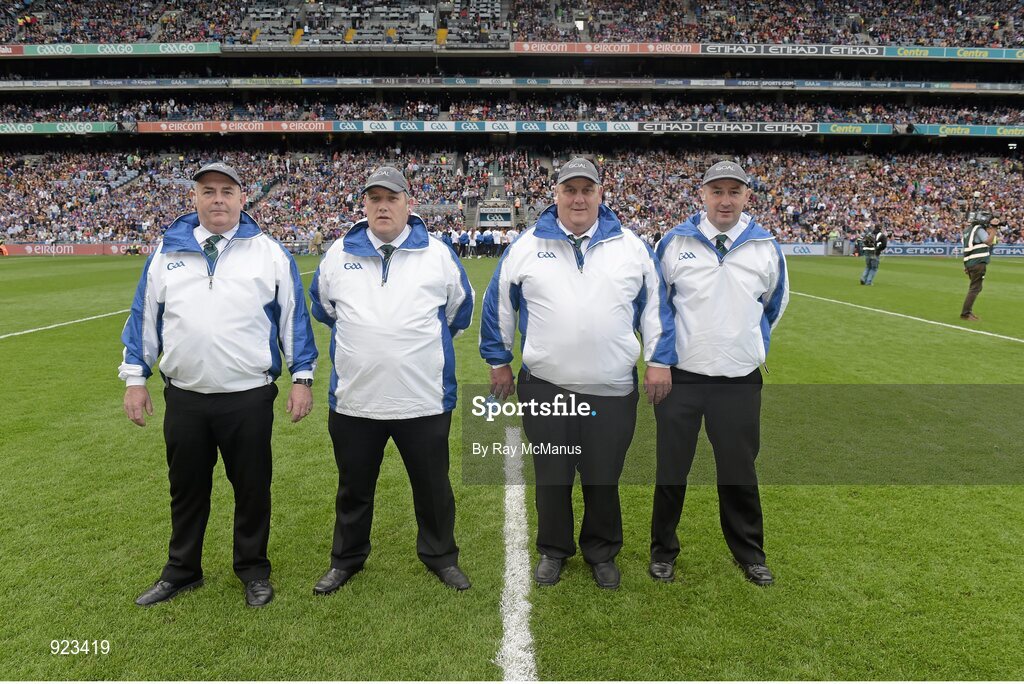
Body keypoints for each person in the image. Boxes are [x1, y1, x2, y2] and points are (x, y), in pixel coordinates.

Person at [119, 162, 318, 608]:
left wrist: (301, 377)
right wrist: (136, 379)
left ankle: (252, 569)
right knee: (186, 488)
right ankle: (182, 570)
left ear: (243, 198)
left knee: (251, 487)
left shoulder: (268, 252)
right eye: (208, 191)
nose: (218, 200)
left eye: (227, 191)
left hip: (247, 396)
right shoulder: (166, 251)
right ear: (194, 198)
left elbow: (294, 321)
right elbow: (144, 320)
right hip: (185, 397)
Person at [480, 158, 676, 590]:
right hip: (547, 386)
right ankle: (553, 549)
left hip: (611, 388)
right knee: (553, 475)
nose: (579, 198)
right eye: (570, 189)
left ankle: (602, 550)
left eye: (587, 189)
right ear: (556, 194)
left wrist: (659, 361)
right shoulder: (527, 245)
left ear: (601, 193)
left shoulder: (631, 246)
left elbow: (657, 309)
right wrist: (499, 361)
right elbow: (498, 306)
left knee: (603, 475)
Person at [309, 165, 475, 594]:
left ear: (408, 203)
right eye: (374, 199)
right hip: (355, 400)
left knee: (433, 488)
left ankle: (441, 557)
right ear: (363, 205)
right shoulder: (337, 254)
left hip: (422, 399)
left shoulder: (438, 254)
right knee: (353, 489)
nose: (383, 207)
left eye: (392, 198)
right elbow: (324, 307)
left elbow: (459, 312)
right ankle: (346, 559)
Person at [650, 160, 789, 587]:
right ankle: (663, 551)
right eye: (717, 191)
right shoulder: (674, 242)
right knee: (672, 470)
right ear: (703, 195)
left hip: (739, 379)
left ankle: (749, 553)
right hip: (682, 378)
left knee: (739, 471)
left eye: (734, 191)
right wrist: (660, 360)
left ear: (747, 196)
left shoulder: (765, 245)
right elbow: (658, 306)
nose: (725, 200)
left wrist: (745, 344)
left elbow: (775, 303)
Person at [961, 212, 999, 321]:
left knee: (976, 288)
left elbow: (968, 247)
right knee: (975, 288)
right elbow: (988, 241)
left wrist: (967, 265)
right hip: (978, 263)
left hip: (970, 263)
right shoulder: (979, 229)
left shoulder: (967, 230)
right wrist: (994, 229)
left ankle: (968, 312)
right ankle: (966, 313)